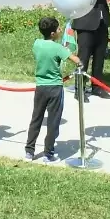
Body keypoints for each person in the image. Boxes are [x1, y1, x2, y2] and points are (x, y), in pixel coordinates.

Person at [25, 17, 77, 163]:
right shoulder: (58, 48)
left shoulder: (37, 44)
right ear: (53, 33)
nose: (60, 30)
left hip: (40, 87)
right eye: (59, 29)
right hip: (55, 88)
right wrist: (80, 63)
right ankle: (48, 154)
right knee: (53, 122)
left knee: (36, 119)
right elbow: (75, 59)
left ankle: (29, 151)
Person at [73, 0, 110, 97]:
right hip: (85, 24)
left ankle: (97, 87)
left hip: (102, 22)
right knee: (83, 58)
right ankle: (79, 89)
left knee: (99, 58)